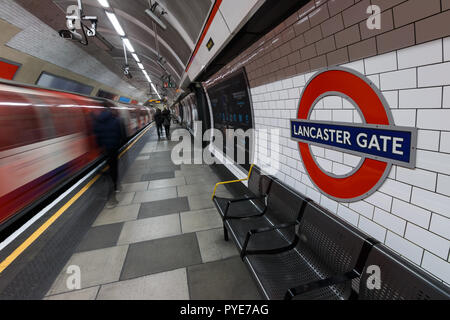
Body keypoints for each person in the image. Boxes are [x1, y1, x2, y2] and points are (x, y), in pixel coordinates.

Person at [93, 102, 125, 208]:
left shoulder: (98, 122)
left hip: (105, 149)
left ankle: (113, 185)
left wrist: (101, 146)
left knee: (109, 167)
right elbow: (120, 134)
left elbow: (97, 136)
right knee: (114, 168)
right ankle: (115, 188)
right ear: (109, 110)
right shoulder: (115, 120)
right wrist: (118, 143)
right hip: (114, 148)